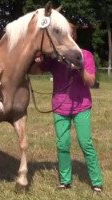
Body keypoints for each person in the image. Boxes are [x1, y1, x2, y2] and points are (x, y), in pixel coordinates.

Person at [31, 47, 103, 193]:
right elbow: (38, 70)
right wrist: (37, 60)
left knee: (85, 143)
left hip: (81, 106)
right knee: (62, 144)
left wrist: (79, 68)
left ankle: (97, 183)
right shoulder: (55, 57)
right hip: (59, 106)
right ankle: (65, 181)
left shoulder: (85, 55)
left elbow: (91, 81)